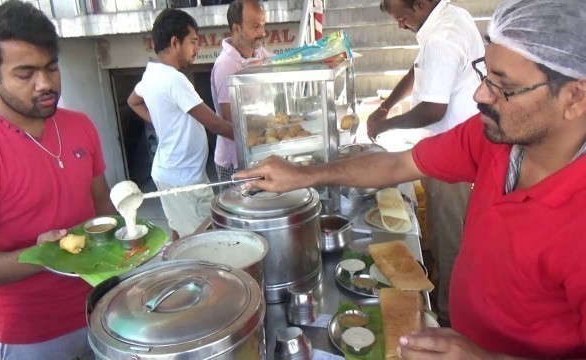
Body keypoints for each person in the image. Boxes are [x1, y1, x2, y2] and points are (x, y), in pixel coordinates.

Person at [237, 0, 586, 358]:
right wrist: (304, 176)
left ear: (575, 97)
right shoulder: (495, 140)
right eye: (486, 74)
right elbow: (397, 165)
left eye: (505, 86)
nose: (480, 95)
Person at [0, 1, 115, 358]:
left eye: (51, 68)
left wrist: (132, 244)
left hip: (103, 308)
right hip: (32, 336)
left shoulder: (79, 126)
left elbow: (102, 208)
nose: (45, 84)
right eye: (25, 74)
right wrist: (44, 256)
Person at [366, 0, 484, 324]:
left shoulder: (441, 38)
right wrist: (384, 107)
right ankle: (440, 285)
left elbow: (434, 109)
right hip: (455, 148)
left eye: (402, 18)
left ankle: (449, 318)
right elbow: (418, 70)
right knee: (443, 233)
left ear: (419, 4)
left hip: (453, 158)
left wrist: (385, 125)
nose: (400, 26)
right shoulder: (451, 15)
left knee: (450, 240)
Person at [127, 9, 234, 239]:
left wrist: (163, 122)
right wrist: (251, 137)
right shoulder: (174, 79)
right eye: (193, 41)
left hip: (169, 173)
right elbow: (215, 124)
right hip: (184, 179)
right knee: (204, 241)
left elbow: (133, 101)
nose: (198, 48)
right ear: (175, 42)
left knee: (180, 231)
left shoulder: (152, 74)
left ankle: (178, 269)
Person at [211, 0, 270, 185]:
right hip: (234, 161)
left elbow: (284, 63)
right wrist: (270, 121)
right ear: (237, 28)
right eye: (255, 26)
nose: (262, 32)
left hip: (256, 149)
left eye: (263, 25)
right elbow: (231, 121)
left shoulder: (258, 53)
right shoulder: (226, 65)